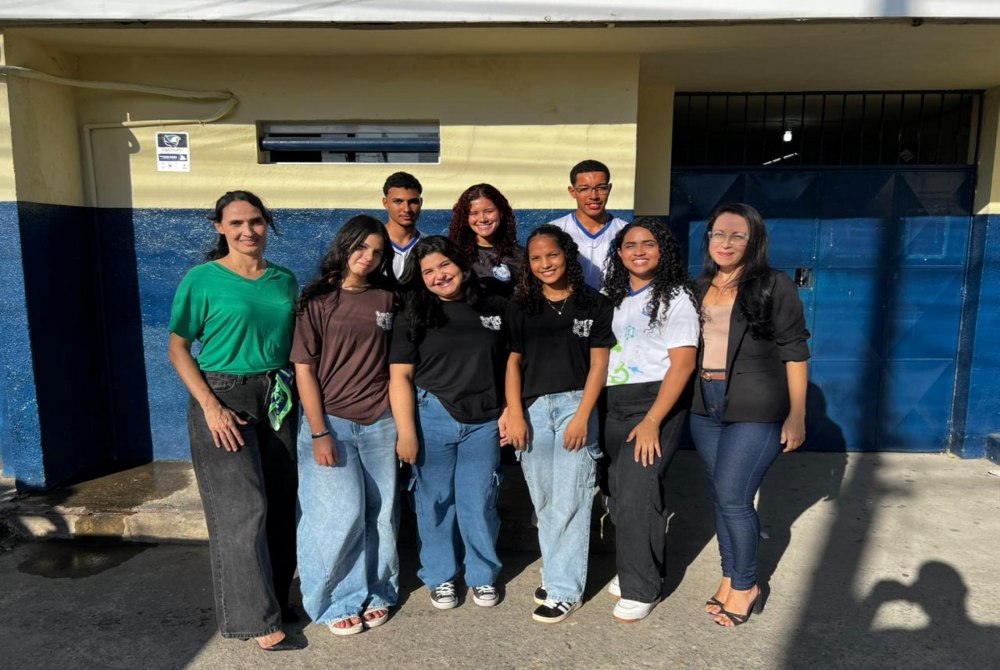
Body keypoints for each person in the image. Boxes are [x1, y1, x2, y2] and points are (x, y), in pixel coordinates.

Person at [167, 191, 301, 651]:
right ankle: (255, 619)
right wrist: (209, 405)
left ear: (268, 224)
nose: (248, 231)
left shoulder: (285, 279)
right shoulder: (202, 279)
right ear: (220, 227)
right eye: (237, 223)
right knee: (242, 510)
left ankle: (277, 600)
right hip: (225, 395)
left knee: (280, 503)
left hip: (279, 395)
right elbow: (178, 347)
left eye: (256, 221)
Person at [688, 203, 809, 627]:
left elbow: (795, 351)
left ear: (753, 241)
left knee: (734, 499)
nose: (726, 242)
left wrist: (797, 414)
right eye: (718, 234)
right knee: (721, 495)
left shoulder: (774, 284)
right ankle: (729, 576)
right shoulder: (699, 286)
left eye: (737, 235)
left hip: (756, 404)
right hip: (704, 404)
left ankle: (746, 585)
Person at [291, 215, 400, 636]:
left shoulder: (388, 299)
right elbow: (304, 369)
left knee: (381, 514)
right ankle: (337, 598)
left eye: (377, 251)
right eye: (361, 247)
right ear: (345, 246)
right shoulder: (318, 301)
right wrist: (319, 431)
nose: (368, 257)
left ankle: (379, 590)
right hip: (331, 423)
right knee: (338, 515)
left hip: (380, 423)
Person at [388, 236, 508, 610]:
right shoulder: (414, 314)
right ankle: (440, 575)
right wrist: (407, 432)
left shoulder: (493, 305)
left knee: (479, 501)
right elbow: (400, 376)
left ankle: (482, 575)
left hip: (484, 420)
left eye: (444, 265)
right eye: (428, 271)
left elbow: (512, 362)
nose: (439, 275)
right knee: (434, 502)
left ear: (460, 264)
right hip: (432, 417)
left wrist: (509, 408)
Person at [504, 225, 615, 623]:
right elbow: (513, 362)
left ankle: (565, 589)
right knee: (545, 501)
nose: (545, 263)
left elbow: (599, 365)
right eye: (536, 258)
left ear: (567, 255)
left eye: (551, 255)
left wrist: (583, 415)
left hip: (575, 406)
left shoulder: (595, 304)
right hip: (532, 410)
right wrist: (515, 412)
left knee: (572, 499)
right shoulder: (520, 306)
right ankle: (555, 573)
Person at [602, 217, 700, 623]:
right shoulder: (610, 295)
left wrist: (653, 420)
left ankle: (642, 586)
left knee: (637, 493)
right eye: (630, 245)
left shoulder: (677, 296)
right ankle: (636, 564)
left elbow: (684, 363)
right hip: (613, 401)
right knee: (619, 491)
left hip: (655, 402)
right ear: (619, 253)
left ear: (664, 251)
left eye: (648, 244)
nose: (638, 251)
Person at [548, 159, 628, 291]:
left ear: (609, 189)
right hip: (572, 303)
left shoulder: (626, 231)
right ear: (572, 192)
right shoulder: (555, 231)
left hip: (614, 303)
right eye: (584, 189)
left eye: (601, 188)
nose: (594, 196)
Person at [447, 183, 524, 297]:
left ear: (501, 212)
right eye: (474, 213)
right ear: (465, 218)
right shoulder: (454, 254)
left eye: (489, 211)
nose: (482, 219)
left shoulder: (520, 255)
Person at [382, 171, 424, 279]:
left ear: (421, 203)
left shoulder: (430, 246)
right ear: (385, 203)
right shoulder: (368, 245)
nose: (406, 209)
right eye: (398, 201)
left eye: (413, 202)